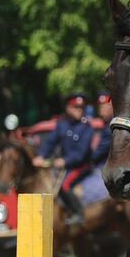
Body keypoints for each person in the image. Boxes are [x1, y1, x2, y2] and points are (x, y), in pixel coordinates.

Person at [37, 93, 96, 228]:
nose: (79, 110)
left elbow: (81, 153)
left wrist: (65, 160)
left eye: (81, 108)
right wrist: (41, 156)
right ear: (68, 108)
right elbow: (50, 143)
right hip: (65, 167)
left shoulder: (87, 128)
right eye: (76, 107)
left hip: (82, 166)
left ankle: (78, 214)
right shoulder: (62, 125)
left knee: (65, 185)